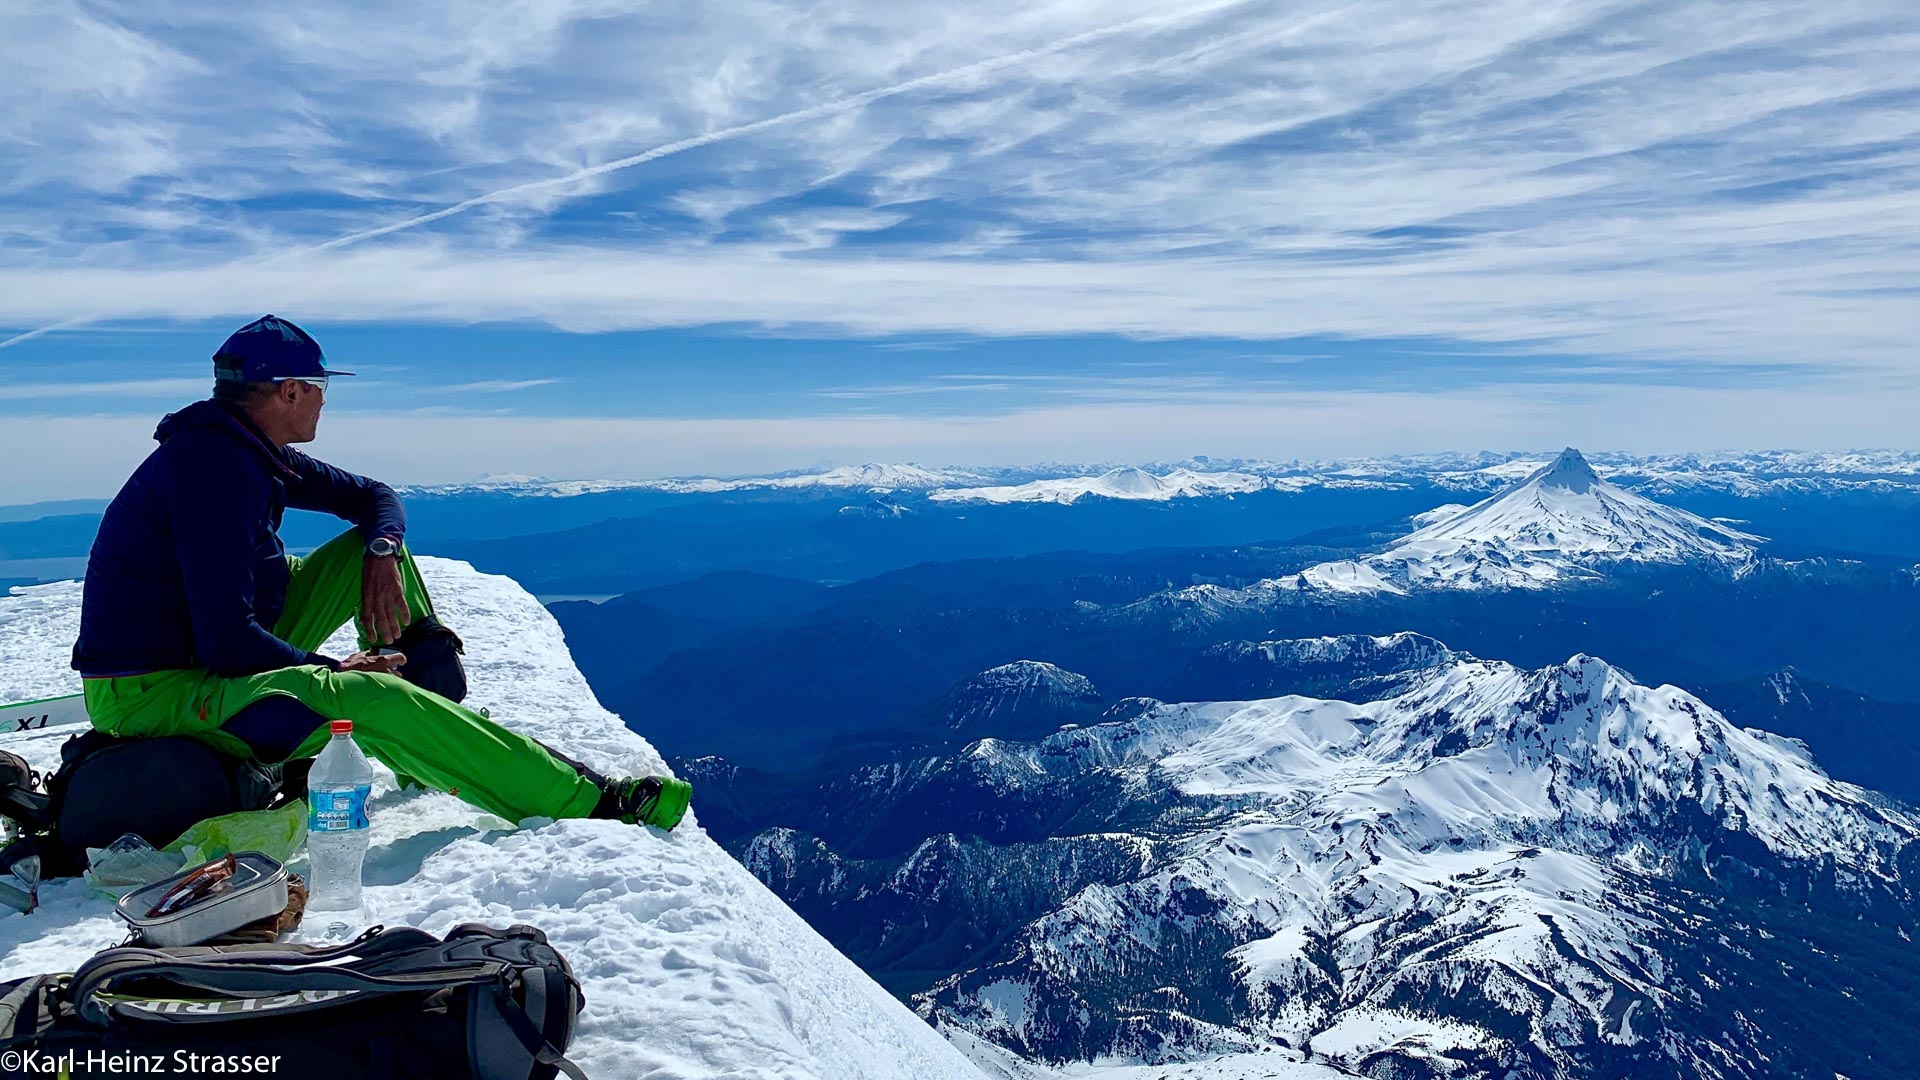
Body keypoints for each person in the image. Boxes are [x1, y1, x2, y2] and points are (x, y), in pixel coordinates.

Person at [69, 315, 690, 830]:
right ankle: (592, 804)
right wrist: (338, 670)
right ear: (289, 391)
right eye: (318, 388)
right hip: (157, 691)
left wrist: (382, 551)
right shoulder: (214, 472)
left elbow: (373, 497)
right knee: (365, 695)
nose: (323, 400)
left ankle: (425, 707)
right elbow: (226, 641)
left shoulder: (245, 448)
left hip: (200, 651)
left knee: (358, 553)